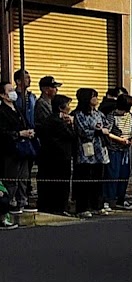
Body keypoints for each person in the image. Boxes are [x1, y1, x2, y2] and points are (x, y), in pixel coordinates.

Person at [0, 78, 36, 215]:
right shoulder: (2, 111)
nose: (13, 93)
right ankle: (11, 201)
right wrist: (18, 133)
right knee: (11, 177)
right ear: (2, 95)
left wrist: (29, 131)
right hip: (10, 149)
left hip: (24, 148)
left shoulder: (18, 108)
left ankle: (23, 200)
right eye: (9, 91)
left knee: (24, 176)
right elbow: (3, 132)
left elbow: (26, 123)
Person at [73, 88, 111, 218]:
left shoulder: (99, 113)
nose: (96, 99)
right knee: (85, 180)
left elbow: (107, 125)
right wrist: (98, 131)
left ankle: (97, 205)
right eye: (93, 96)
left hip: (100, 150)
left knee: (98, 180)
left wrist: (102, 130)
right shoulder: (79, 114)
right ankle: (82, 207)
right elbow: (83, 131)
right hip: (86, 151)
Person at [35, 93, 74, 215]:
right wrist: (71, 125)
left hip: (49, 158)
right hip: (59, 158)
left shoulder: (50, 120)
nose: (69, 107)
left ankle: (49, 207)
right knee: (60, 185)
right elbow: (71, 136)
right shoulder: (58, 122)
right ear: (61, 108)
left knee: (50, 184)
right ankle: (59, 207)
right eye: (68, 105)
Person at [102, 94, 132, 211]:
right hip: (114, 150)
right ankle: (109, 199)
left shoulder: (129, 115)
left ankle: (120, 198)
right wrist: (120, 140)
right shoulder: (111, 116)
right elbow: (107, 132)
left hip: (126, 150)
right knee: (112, 175)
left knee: (124, 175)